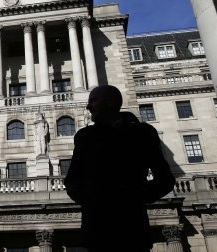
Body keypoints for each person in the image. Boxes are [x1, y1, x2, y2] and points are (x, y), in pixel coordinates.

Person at [64, 85, 175, 252]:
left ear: (110, 102)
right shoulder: (85, 136)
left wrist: (136, 196)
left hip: (132, 228)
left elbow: (165, 179)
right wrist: (93, 199)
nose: (88, 106)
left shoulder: (143, 133)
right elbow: (72, 180)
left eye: (93, 101)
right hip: (98, 230)